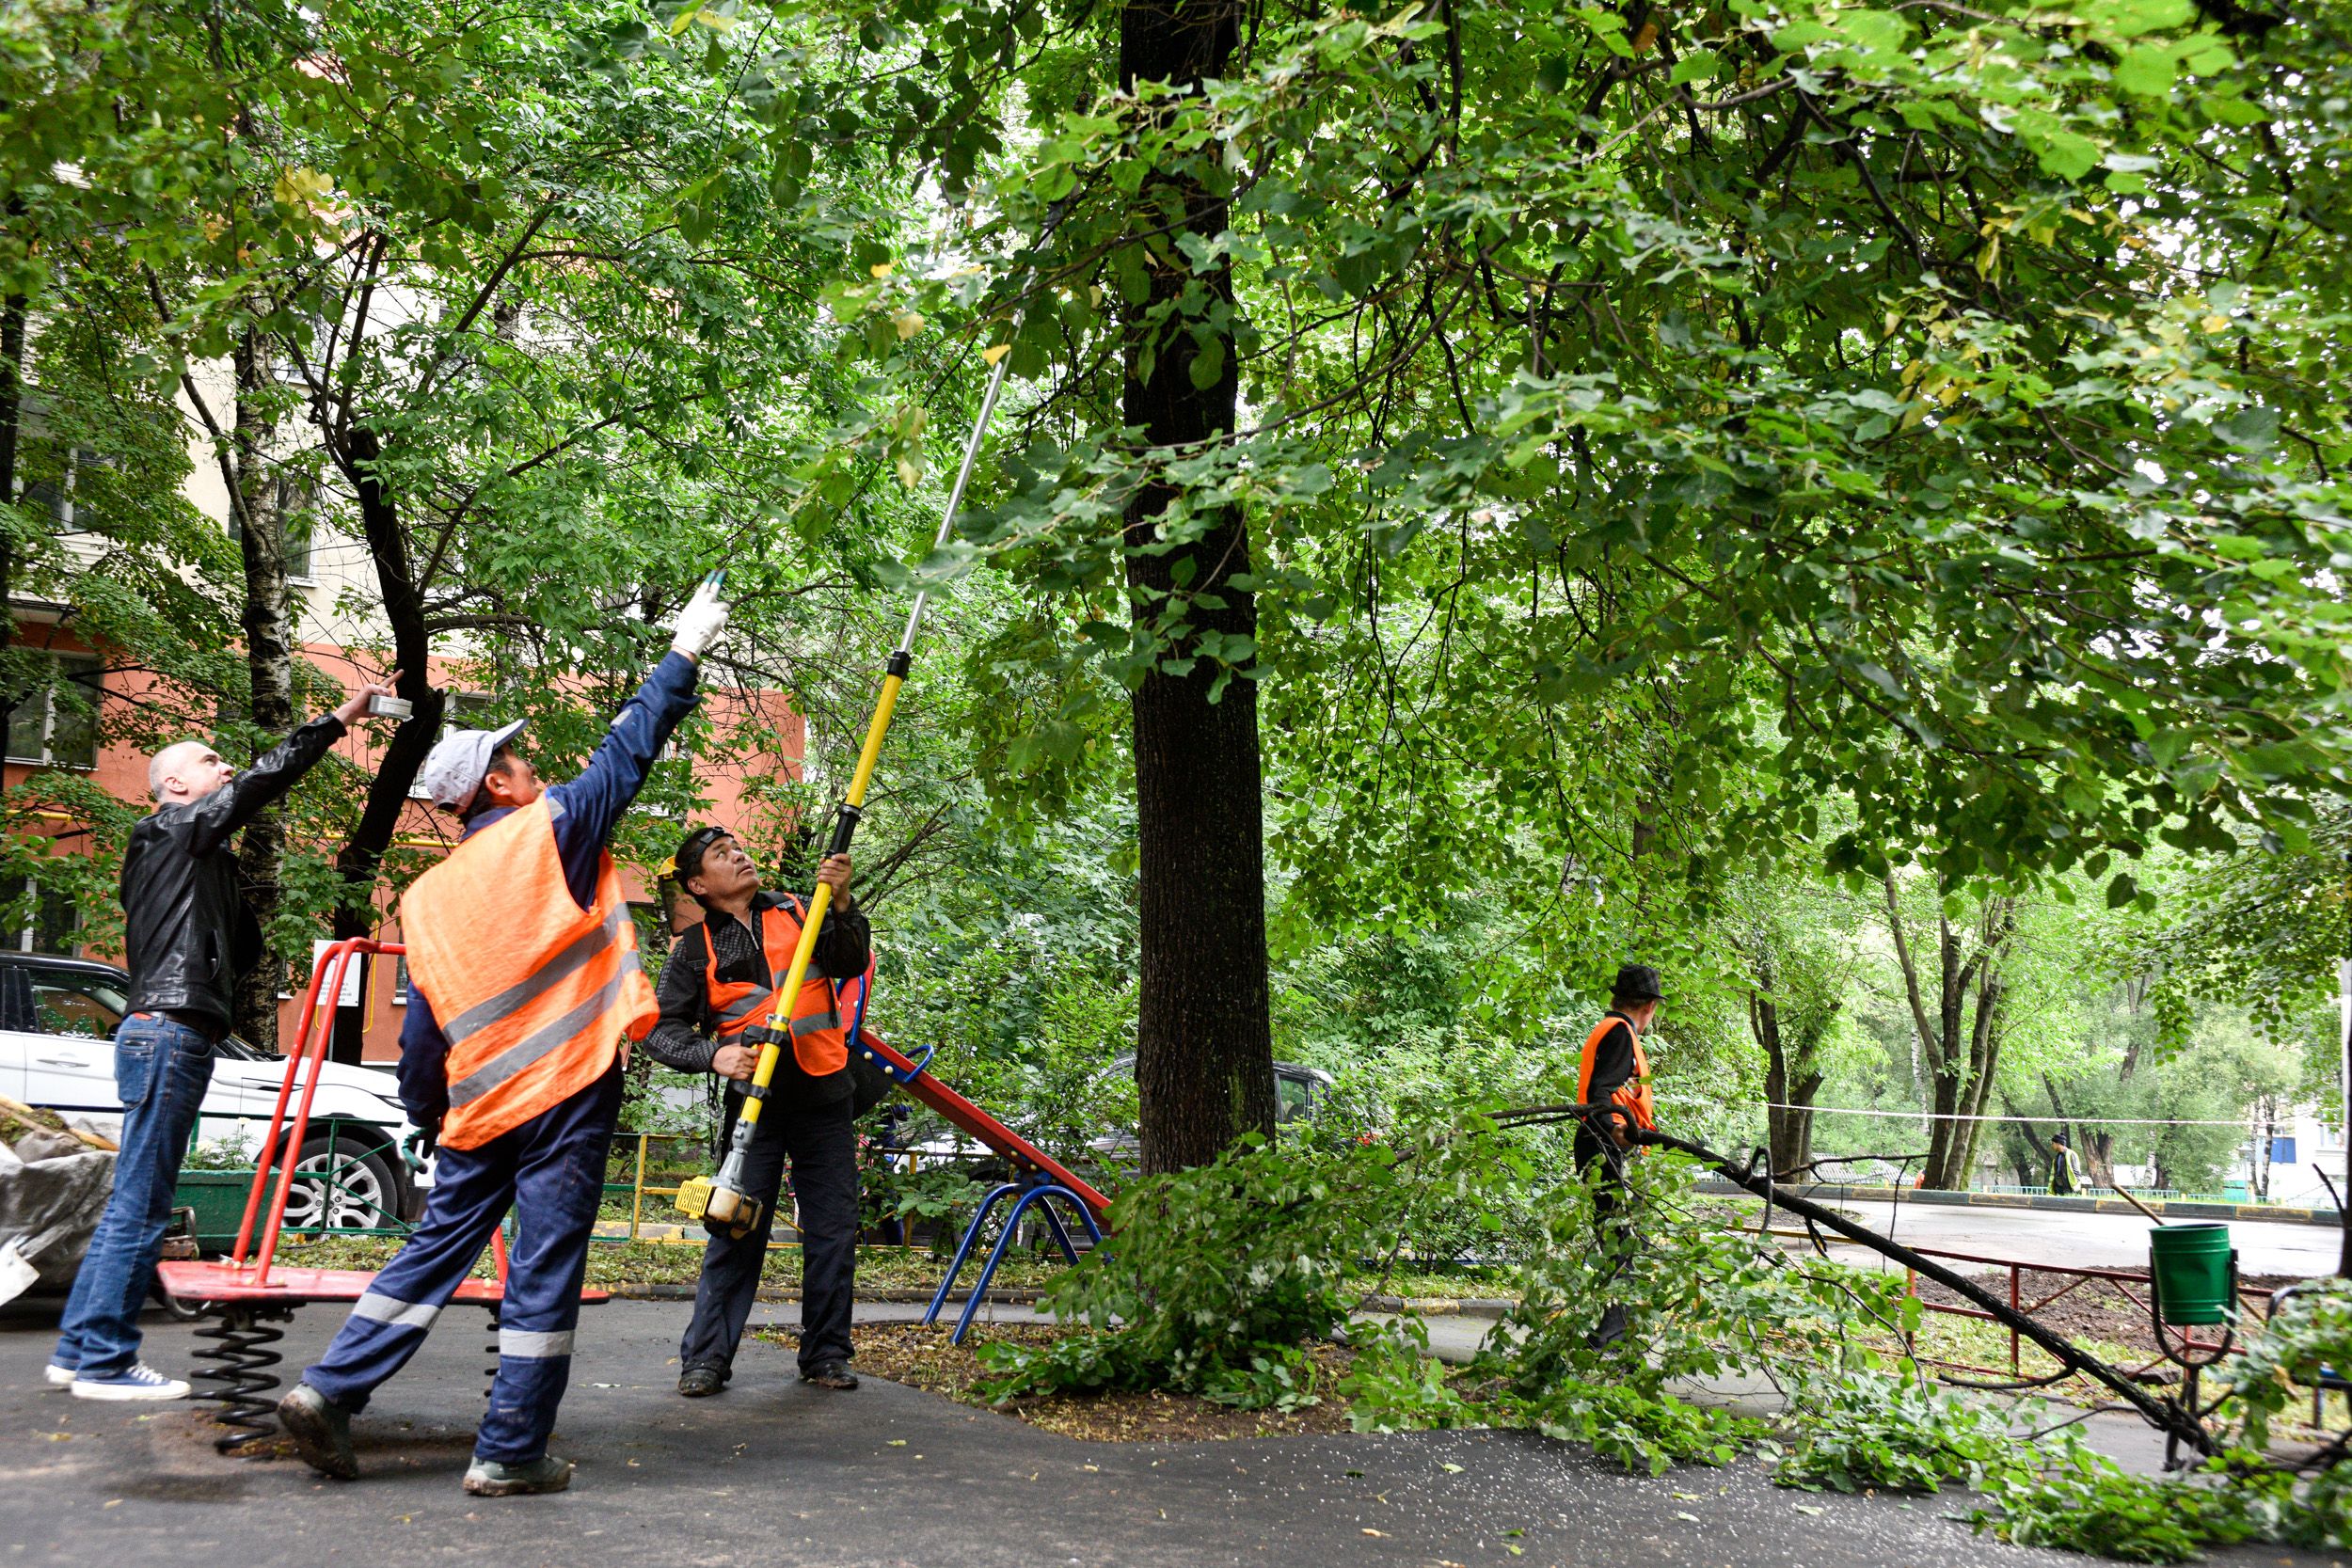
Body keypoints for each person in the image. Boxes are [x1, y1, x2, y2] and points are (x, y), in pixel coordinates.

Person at [276, 577, 729, 1497]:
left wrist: (429, 1115)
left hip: (480, 1103)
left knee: (436, 1242)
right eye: (520, 762)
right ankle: (511, 1448)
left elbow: (424, 1039)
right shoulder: (546, 832)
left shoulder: (428, 897)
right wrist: (681, 655)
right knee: (546, 1259)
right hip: (566, 1081)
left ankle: (329, 1387)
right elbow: (628, 750)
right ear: (496, 785)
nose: (537, 772)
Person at [47, 677, 398, 1400]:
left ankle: (80, 1347)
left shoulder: (187, 855)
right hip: (171, 1031)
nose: (227, 769)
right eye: (211, 761)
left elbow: (240, 942)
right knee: (143, 1202)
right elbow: (267, 778)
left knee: (133, 1198)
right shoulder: (176, 827)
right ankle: (104, 1361)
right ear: (175, 783)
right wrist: (340, 718)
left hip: (162, 1029)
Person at [645, 825, 870, 1398]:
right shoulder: (694, 949)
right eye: (723, 855)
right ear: (698, 884)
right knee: (736, 1229)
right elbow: (659, 1030)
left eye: (738, 849)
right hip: (755, 1109)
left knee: (833, 1231)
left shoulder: (802, 908)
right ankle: (706, 1361)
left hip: (824, 1095)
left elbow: (849, 959)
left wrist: (841, 902)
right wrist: (712, 1055)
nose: (740, 856)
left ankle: (825, 1355)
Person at [1574, 961, 1661, 1351]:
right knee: (1618, 1237)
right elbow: (1601, 1089)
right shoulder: (1621, 1033)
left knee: (1619, 1235)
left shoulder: (1608, 1029)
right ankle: (1615, 1330)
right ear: (1648, 1006)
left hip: (1598, 1140)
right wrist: (1616, 1128)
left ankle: (1616, 1328)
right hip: (1601, 1140)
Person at [2049, 1131, 2085, 1196]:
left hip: (2070, 1188)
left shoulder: (2071, 1154)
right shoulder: (2057, 1157)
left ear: (2058, 1143)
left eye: (2053, 1143)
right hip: (2059, 1189)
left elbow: (2076, 1172)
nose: (2052, 1145)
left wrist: (2076, 1186)